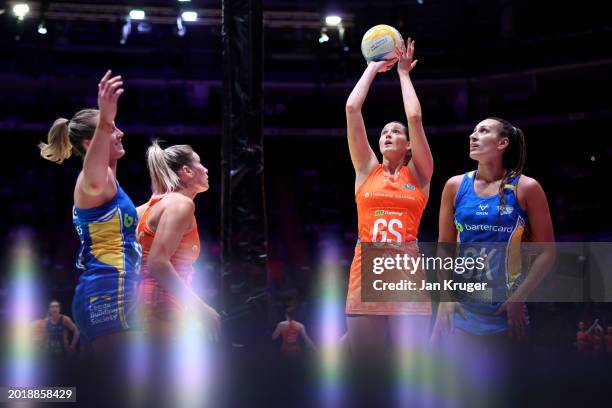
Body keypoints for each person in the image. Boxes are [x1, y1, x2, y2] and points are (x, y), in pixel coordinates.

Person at [39, 70, 141, 405]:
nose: (120, 133)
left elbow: (125, 222)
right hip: (107, 294)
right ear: (90, 142)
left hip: (107, 291)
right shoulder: (92, 180)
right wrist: (104, 120)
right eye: (113, 131)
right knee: (119, 393)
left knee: (97, 393)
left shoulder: (108, 179)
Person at [344, 38, 434, 353]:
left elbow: (414, 119)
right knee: (367, 371)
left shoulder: (420, 175)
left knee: (410, 370)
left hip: (407, 277)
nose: (387, 134)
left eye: (394, 132)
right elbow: (352, 109)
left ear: (408, 145)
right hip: (366, 274)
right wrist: (372, 65)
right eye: (383, 132)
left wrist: (404, 74)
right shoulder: (367, 170)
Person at [432, 117, 555, 342]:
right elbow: (444, 249)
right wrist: (445, 297)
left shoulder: (527, 188)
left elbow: (547, 252)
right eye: (473, 130)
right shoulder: (454, 186)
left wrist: (519, 298)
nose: (473, 136)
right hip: (462, 307)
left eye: (483, 131)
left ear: (502, 143)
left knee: (509, 377)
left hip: (506, 310)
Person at [137, 140, 220, 341]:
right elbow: (157, 263)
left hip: (145, 304)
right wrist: (200, 308)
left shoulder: (143, 209)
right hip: (164, 307)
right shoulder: (181, 204)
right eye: (200, 163)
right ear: (187, 171)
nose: (206, 169)